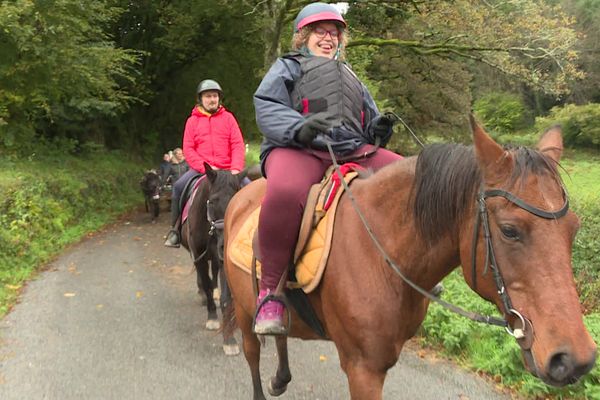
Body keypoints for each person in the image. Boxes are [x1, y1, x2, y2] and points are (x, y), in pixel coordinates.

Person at [252, 2, 402, 335]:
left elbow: (367, 118)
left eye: (334, 33)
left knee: (409, 179)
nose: (328, 37)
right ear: (303, 36)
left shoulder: (350, 76)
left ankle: (410, 269)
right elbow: (266, 106)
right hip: (297, 147)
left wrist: (377, 131)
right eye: (320, 31)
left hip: (350, 149)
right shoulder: (287, 67)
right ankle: (270, 292)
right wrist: (298, 128)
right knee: (286, 191)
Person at [164, 79, 246, 247]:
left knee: (252, 189)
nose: (212, 99)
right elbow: (188, 148)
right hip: (204, 170)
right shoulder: (192, 121)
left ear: (219, 99)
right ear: (200, 99)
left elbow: (237, 144)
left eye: (214, 96)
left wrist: (236, 167)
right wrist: (205, 167)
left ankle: (255, 229)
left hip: (229, 170)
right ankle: (175, 230)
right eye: (208, 96)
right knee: (179, 186)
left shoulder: (229, 118)